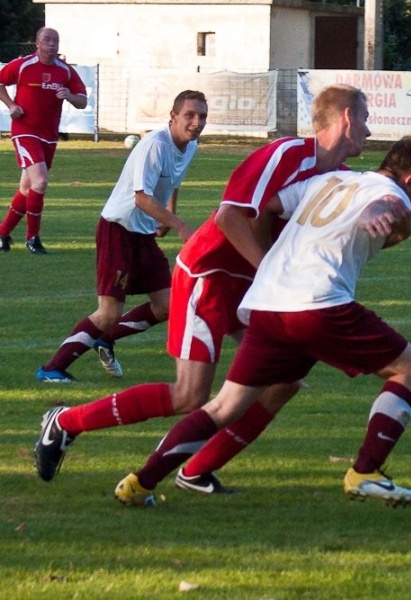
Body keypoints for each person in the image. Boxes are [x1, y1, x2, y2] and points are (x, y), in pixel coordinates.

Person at [33, 85, 370, 490]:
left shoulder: (340, 177)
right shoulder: (287, 154)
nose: (369, 131)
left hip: (250, 290)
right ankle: (65, 421)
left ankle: (196, 471)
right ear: (347, 118)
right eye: (365, 120)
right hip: (208, 277)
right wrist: (269, 273)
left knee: (284, 381)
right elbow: (230, 218)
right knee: (190, 395)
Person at [112, 136, 411, 508]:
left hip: (268, 303)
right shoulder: (393, 195)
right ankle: (365, 472)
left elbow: (268, 206)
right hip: (319, 304)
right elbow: (379, 206)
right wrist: (379, 214)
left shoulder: (328, 180)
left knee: (224, 407)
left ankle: (139, 483)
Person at [33, 90, 208, 384]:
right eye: (189, 115)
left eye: (202, 116)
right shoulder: (154, 145)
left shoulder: (191, 146)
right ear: (173, 117)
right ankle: (52, 368)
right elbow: (141, 198)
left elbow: (172, 180)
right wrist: (179, 225)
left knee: (169, 304)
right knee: (109, 311)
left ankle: (106, 340)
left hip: (142, 234)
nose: (196, 122)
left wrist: (167, 213)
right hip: (118, 229)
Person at [0, 27, 88, 255]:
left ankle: (2, 234)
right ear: (37, 43)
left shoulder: (65, 71)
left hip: (49, 136)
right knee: (40, 182)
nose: (51, 44)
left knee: (27, 189)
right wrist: (11, 105)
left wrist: (70, 96)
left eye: (55, 40)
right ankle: (33, 239)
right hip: (25, 130)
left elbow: (82, 101)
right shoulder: (22, 65)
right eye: (46, 40)